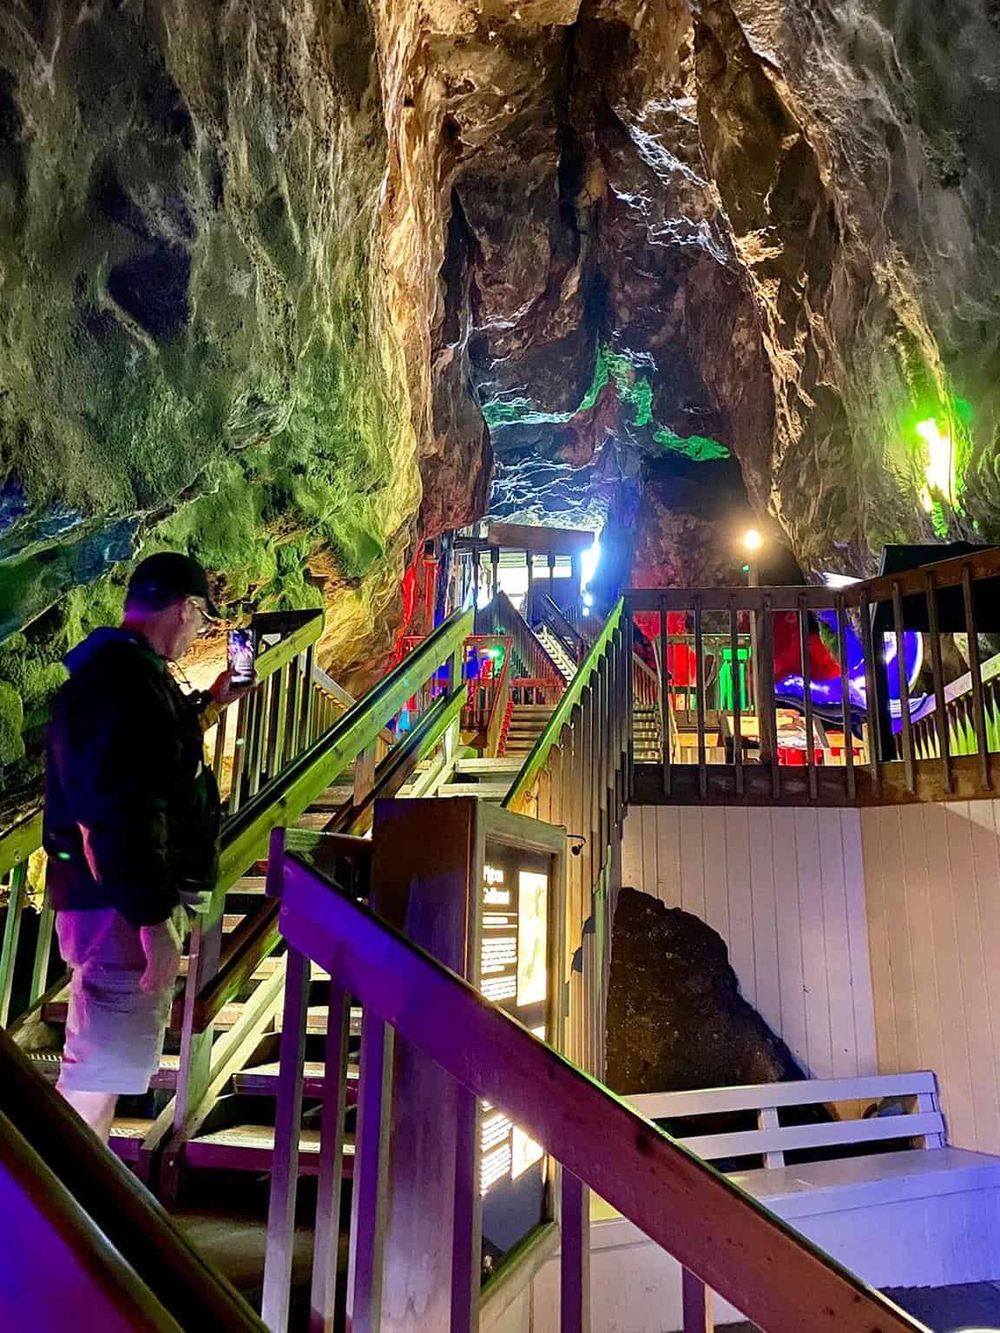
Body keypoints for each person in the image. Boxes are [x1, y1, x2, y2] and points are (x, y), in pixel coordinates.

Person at [43, 552, 249, 1141]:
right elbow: (119, 811)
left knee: (104, 1066)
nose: (200, 633)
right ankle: (48, 1213)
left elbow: (143, 764)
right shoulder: (128, 684)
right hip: (119, 908)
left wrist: (206, 706)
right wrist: (154, 920)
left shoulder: (115, 676)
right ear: (185, 609)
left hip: (106, 898)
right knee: (98, 1069)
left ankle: (76, 1209)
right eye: (202, 621)